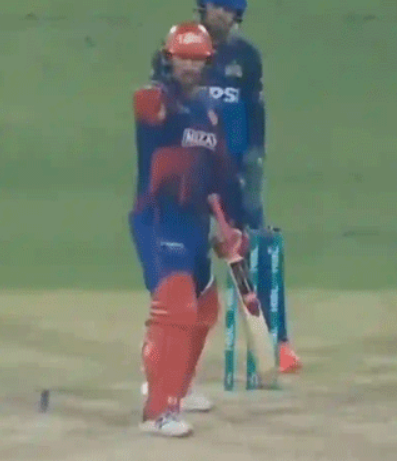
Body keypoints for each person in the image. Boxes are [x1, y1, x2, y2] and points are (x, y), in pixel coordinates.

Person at [150, 0, 302, 373]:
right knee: (183, 258)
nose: (221, 14)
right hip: (187, 171)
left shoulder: (245, 57)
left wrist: (253, 161)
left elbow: (255, 113)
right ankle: (173, 346)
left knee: (255, 250)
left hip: (234, 170)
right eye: (216, 5)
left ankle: (278, 341)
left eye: (229, 8)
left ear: (238, 15)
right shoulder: (177, 49)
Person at [130, 21, 248, 437]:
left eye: (197, 60)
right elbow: (147, 107)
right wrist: (159, 85)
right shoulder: (157, 100)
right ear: (168, 59)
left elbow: (221, 178)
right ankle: (158, 411)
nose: (189, 66)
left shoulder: (209, 114)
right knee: (175, 306)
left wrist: (232, 227)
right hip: (158, 217)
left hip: (194, 222)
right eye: (182, 58)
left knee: (205, 308)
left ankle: (179, 384)